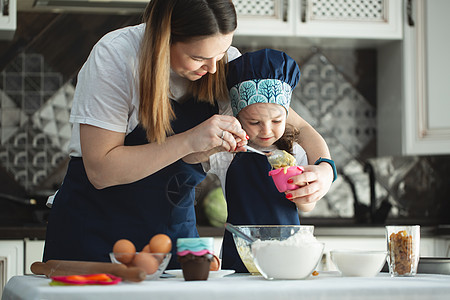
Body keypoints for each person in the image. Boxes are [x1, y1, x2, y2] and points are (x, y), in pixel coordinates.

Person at [43, 0, 334, 269]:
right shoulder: (117, 56)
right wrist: (189, 140)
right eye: (199, 57)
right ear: (164, 37)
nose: (214, 68)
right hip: (93, 241)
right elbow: (101, 170)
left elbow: (300, 127)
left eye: (221, 53)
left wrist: (324, 170)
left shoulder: (223, 64)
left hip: (175, 244)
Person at [206, 48, 334, 272]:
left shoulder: (296, 152)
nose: (266, 131)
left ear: (287, 115)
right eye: (254, 122)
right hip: (240, 257)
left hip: (289, 254)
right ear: (238, 117)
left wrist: (303, 188)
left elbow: (308, 207)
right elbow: (192, 163)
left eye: (276, 120)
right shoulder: (227, 154)